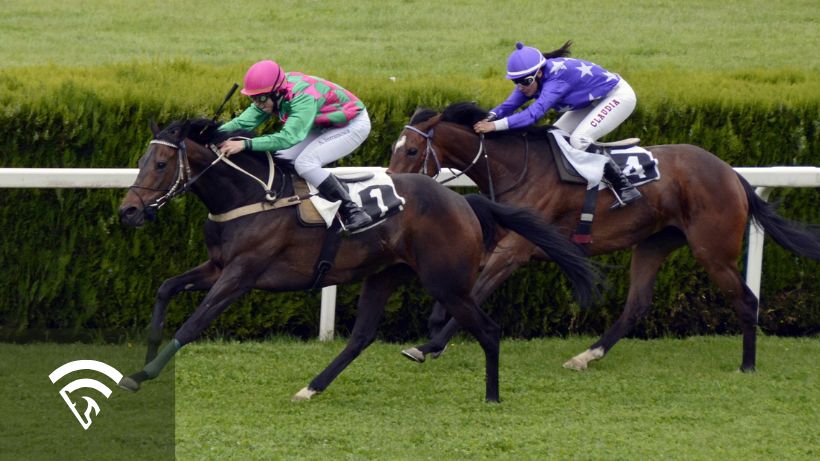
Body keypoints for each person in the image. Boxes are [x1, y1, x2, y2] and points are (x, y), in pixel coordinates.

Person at [474, 41, 642, 208]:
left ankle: (624, 187)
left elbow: (533, 115)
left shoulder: (557, 80)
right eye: (515, 81)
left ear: (539, 73)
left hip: (616, 97)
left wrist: (495, 126)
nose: (520, 87)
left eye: (524, 81)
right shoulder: (530, 79)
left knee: (579, 140)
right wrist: (487, 118)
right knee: (554, 136)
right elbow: (508, 106)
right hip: (592, 100)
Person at [218, 60, 373, 230]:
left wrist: (245, 145)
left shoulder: (303, 97)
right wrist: (210, 133)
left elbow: (288, 138)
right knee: (283, 158)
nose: (258, 104)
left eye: (261, 98)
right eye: (252, 98)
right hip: (321, 124)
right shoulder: (270, 93)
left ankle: (353, 211)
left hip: (352, 124)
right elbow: (242, 123)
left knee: (305, 164)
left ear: (276, 93)